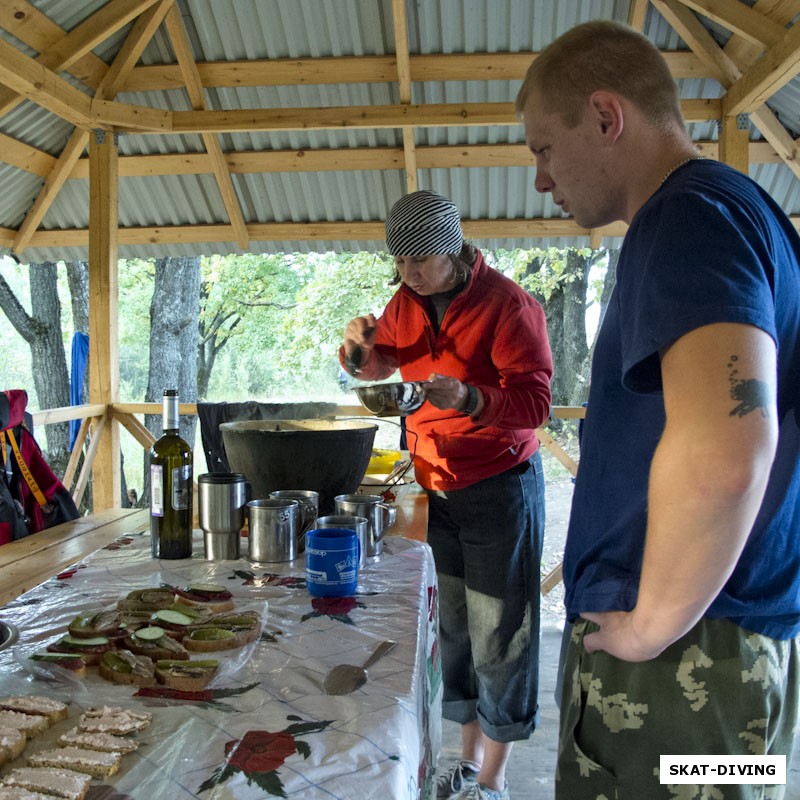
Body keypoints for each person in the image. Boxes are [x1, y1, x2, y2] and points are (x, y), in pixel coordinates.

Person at [515, 20, 800, 800]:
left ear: (607, 117)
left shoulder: (689, 219)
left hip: (685, 664)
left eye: (544, 147)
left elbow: (729, 450)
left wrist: (650, 625)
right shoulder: (741, 212)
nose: (541, 177)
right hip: (726, 647)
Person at [340, 190, 553, 800]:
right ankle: (465, 762)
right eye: (399, 263)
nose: (407, 274)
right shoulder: (406, 301)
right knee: (454, 630)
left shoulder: (507, 305)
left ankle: (495, 778)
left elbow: (536, 404)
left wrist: (473, 400)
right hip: (436, 485)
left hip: (499, 485)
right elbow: (383, 363)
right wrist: (357, 349)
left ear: (452, 252)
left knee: (501, 632)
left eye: (419, 262)